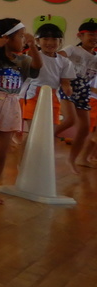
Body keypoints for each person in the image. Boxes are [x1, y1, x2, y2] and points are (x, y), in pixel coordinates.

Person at [0, 18, 40, 204]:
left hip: (11, 104)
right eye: (20, 36)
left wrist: (32, 46)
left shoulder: (23, 60)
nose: (23, 39)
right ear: (7, 38)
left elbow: (37, 68)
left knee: (2, 152)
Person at [22, 23, 76, 147]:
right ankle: (23, 162)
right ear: (37, 41)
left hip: (53, 98)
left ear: (60, 41)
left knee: (48, 134)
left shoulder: (64, 61)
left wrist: (67, 88)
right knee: (33, 133)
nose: (50, 43)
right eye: (45, 39)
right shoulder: (34, 55)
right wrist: (30, 44)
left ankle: (41, 163)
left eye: (54, 39)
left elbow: (65, 82)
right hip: (33, 95)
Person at [61, 20, 97, 173]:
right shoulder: (72, 49)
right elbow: (57, 57)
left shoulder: (96, 57)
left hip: (83, 90)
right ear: (80, 36)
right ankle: (48, 137)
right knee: (70, 120)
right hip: (68, 85)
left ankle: (73, 160)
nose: (94, 38)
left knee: (83, 128)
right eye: (90, 35)